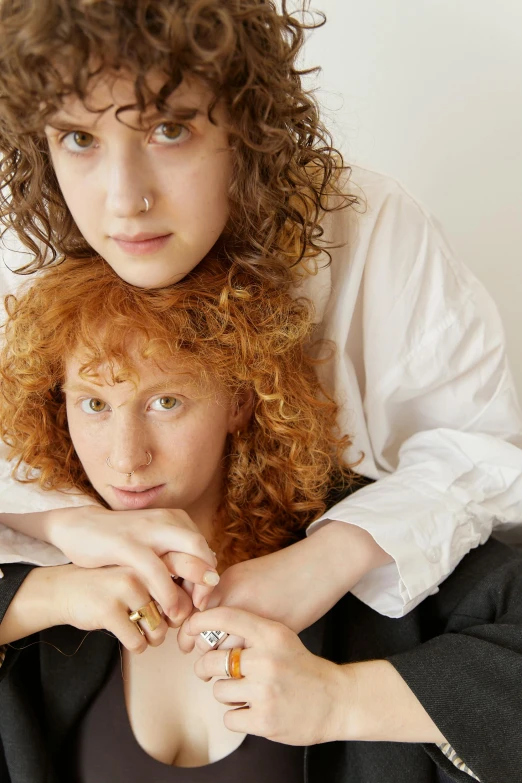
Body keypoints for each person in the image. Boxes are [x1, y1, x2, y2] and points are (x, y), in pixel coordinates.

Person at [0, 0, 521, 642]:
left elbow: (481, 453)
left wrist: (322, 561)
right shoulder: (21, 251)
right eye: (79, 139)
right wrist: (61, 523)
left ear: (244, 125)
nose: (123, 202)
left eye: (168, 130)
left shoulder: (366, 225)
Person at [0, 256, 521, 783]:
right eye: (94, 404)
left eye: (165, 401)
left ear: (239, 403)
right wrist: (43, 596)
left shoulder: (382, 542)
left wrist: (343, 700)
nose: (126, 457)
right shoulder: (38, 570)